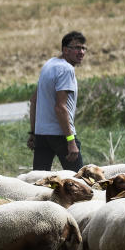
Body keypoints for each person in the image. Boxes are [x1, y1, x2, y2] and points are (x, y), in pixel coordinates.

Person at [28, 31, 86, 172]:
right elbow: (60, 108)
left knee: (39, 181)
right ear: (65, 50)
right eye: (77, 48)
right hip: (60, 135)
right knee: (80, 180)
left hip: (42, 135)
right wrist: (71, 141)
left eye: (84, 48)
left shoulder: (49, 64)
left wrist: (33, 132)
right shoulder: (66, 69)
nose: (82, 52)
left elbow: (34, 100)